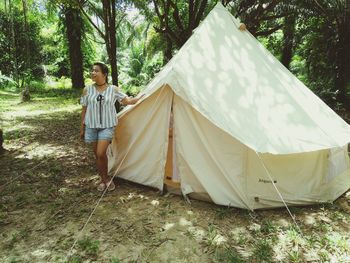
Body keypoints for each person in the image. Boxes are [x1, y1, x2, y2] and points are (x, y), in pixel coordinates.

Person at [80, 62, 143, 192]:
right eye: (92, 71)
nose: (93, 73)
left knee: (100, 152)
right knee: (97, 156)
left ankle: (107, 178)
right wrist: (82, 128)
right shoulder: (87, 89)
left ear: (104, 74)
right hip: (91, 126)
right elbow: (84, 110)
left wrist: (144, 96)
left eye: (96, 71)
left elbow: (127, 101)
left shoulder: (113, 89)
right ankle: (103, 179)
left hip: (107, 126)